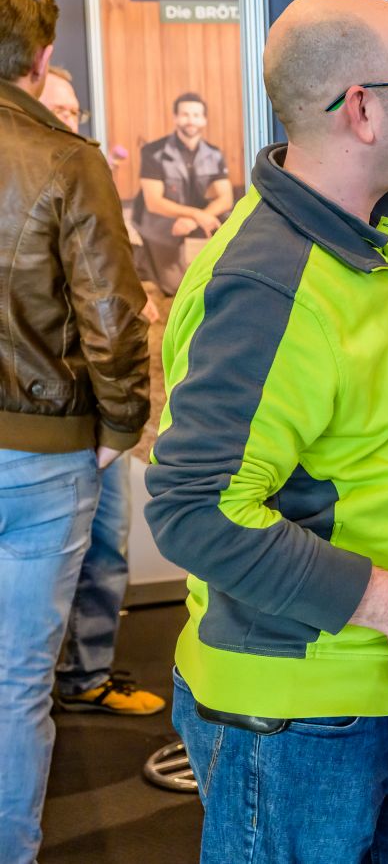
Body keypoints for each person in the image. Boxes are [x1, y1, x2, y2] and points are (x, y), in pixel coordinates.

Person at [144, 0, 388, 863]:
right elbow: (193, 510)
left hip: (382, 688)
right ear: (362, 108)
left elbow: (385, 359)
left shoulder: (354, 243)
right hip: (298, 722)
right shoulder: (268, 283)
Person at [0, 0, 150, 863]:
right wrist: (120, 427)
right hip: (43, 455)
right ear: (44, 56)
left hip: (44, 454)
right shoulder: (66, 158)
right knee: (16, 683)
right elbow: (111, 313)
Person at [37, 66, 167, 717]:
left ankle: (85, 676)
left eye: (75, 110)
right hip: (42, 416)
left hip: (98, 409)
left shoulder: (88, 176)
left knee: (108, 544)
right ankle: (30, 689)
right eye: (58, 107)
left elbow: (113, 280)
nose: (71, 120)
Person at [135, 92, 233, 295]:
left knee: (231, 219)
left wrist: (196, 219)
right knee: (174, 287)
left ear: (204, 120)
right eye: (185, 114)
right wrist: (197, 215)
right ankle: (142, 259)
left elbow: (226, 198)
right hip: (160, 218)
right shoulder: (153, 152)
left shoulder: (213, 154)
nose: (191, 120)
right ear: (175, 118)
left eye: (196, 115)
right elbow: (154, 202)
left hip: (193, 215)